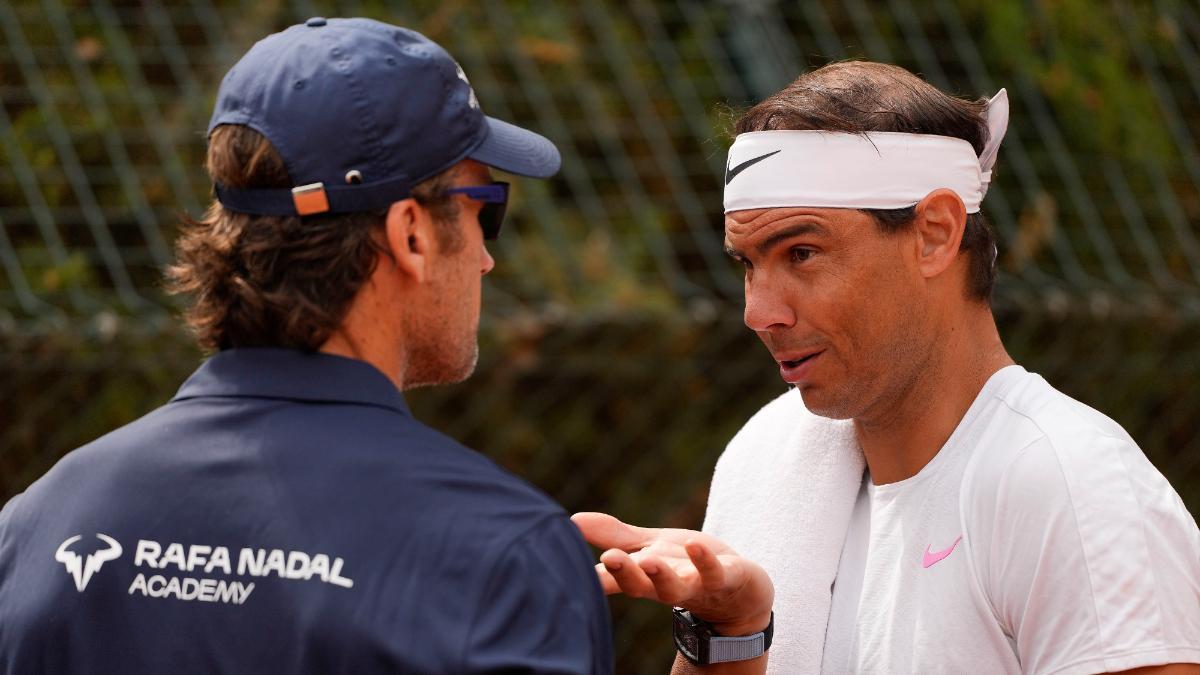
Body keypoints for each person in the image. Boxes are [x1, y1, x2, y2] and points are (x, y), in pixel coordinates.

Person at [0, 17, 612, 674]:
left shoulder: (37, 527)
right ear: (410, 233)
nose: (487, 258)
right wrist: (726, 641)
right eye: (484, 207)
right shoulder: (503, 560)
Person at [574, 61, 1200, 674]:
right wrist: (728, 633)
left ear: (934, 234)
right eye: (748, 264)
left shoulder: (1074, 487)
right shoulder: (764, 454)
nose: (758, 312)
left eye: (801, 251)